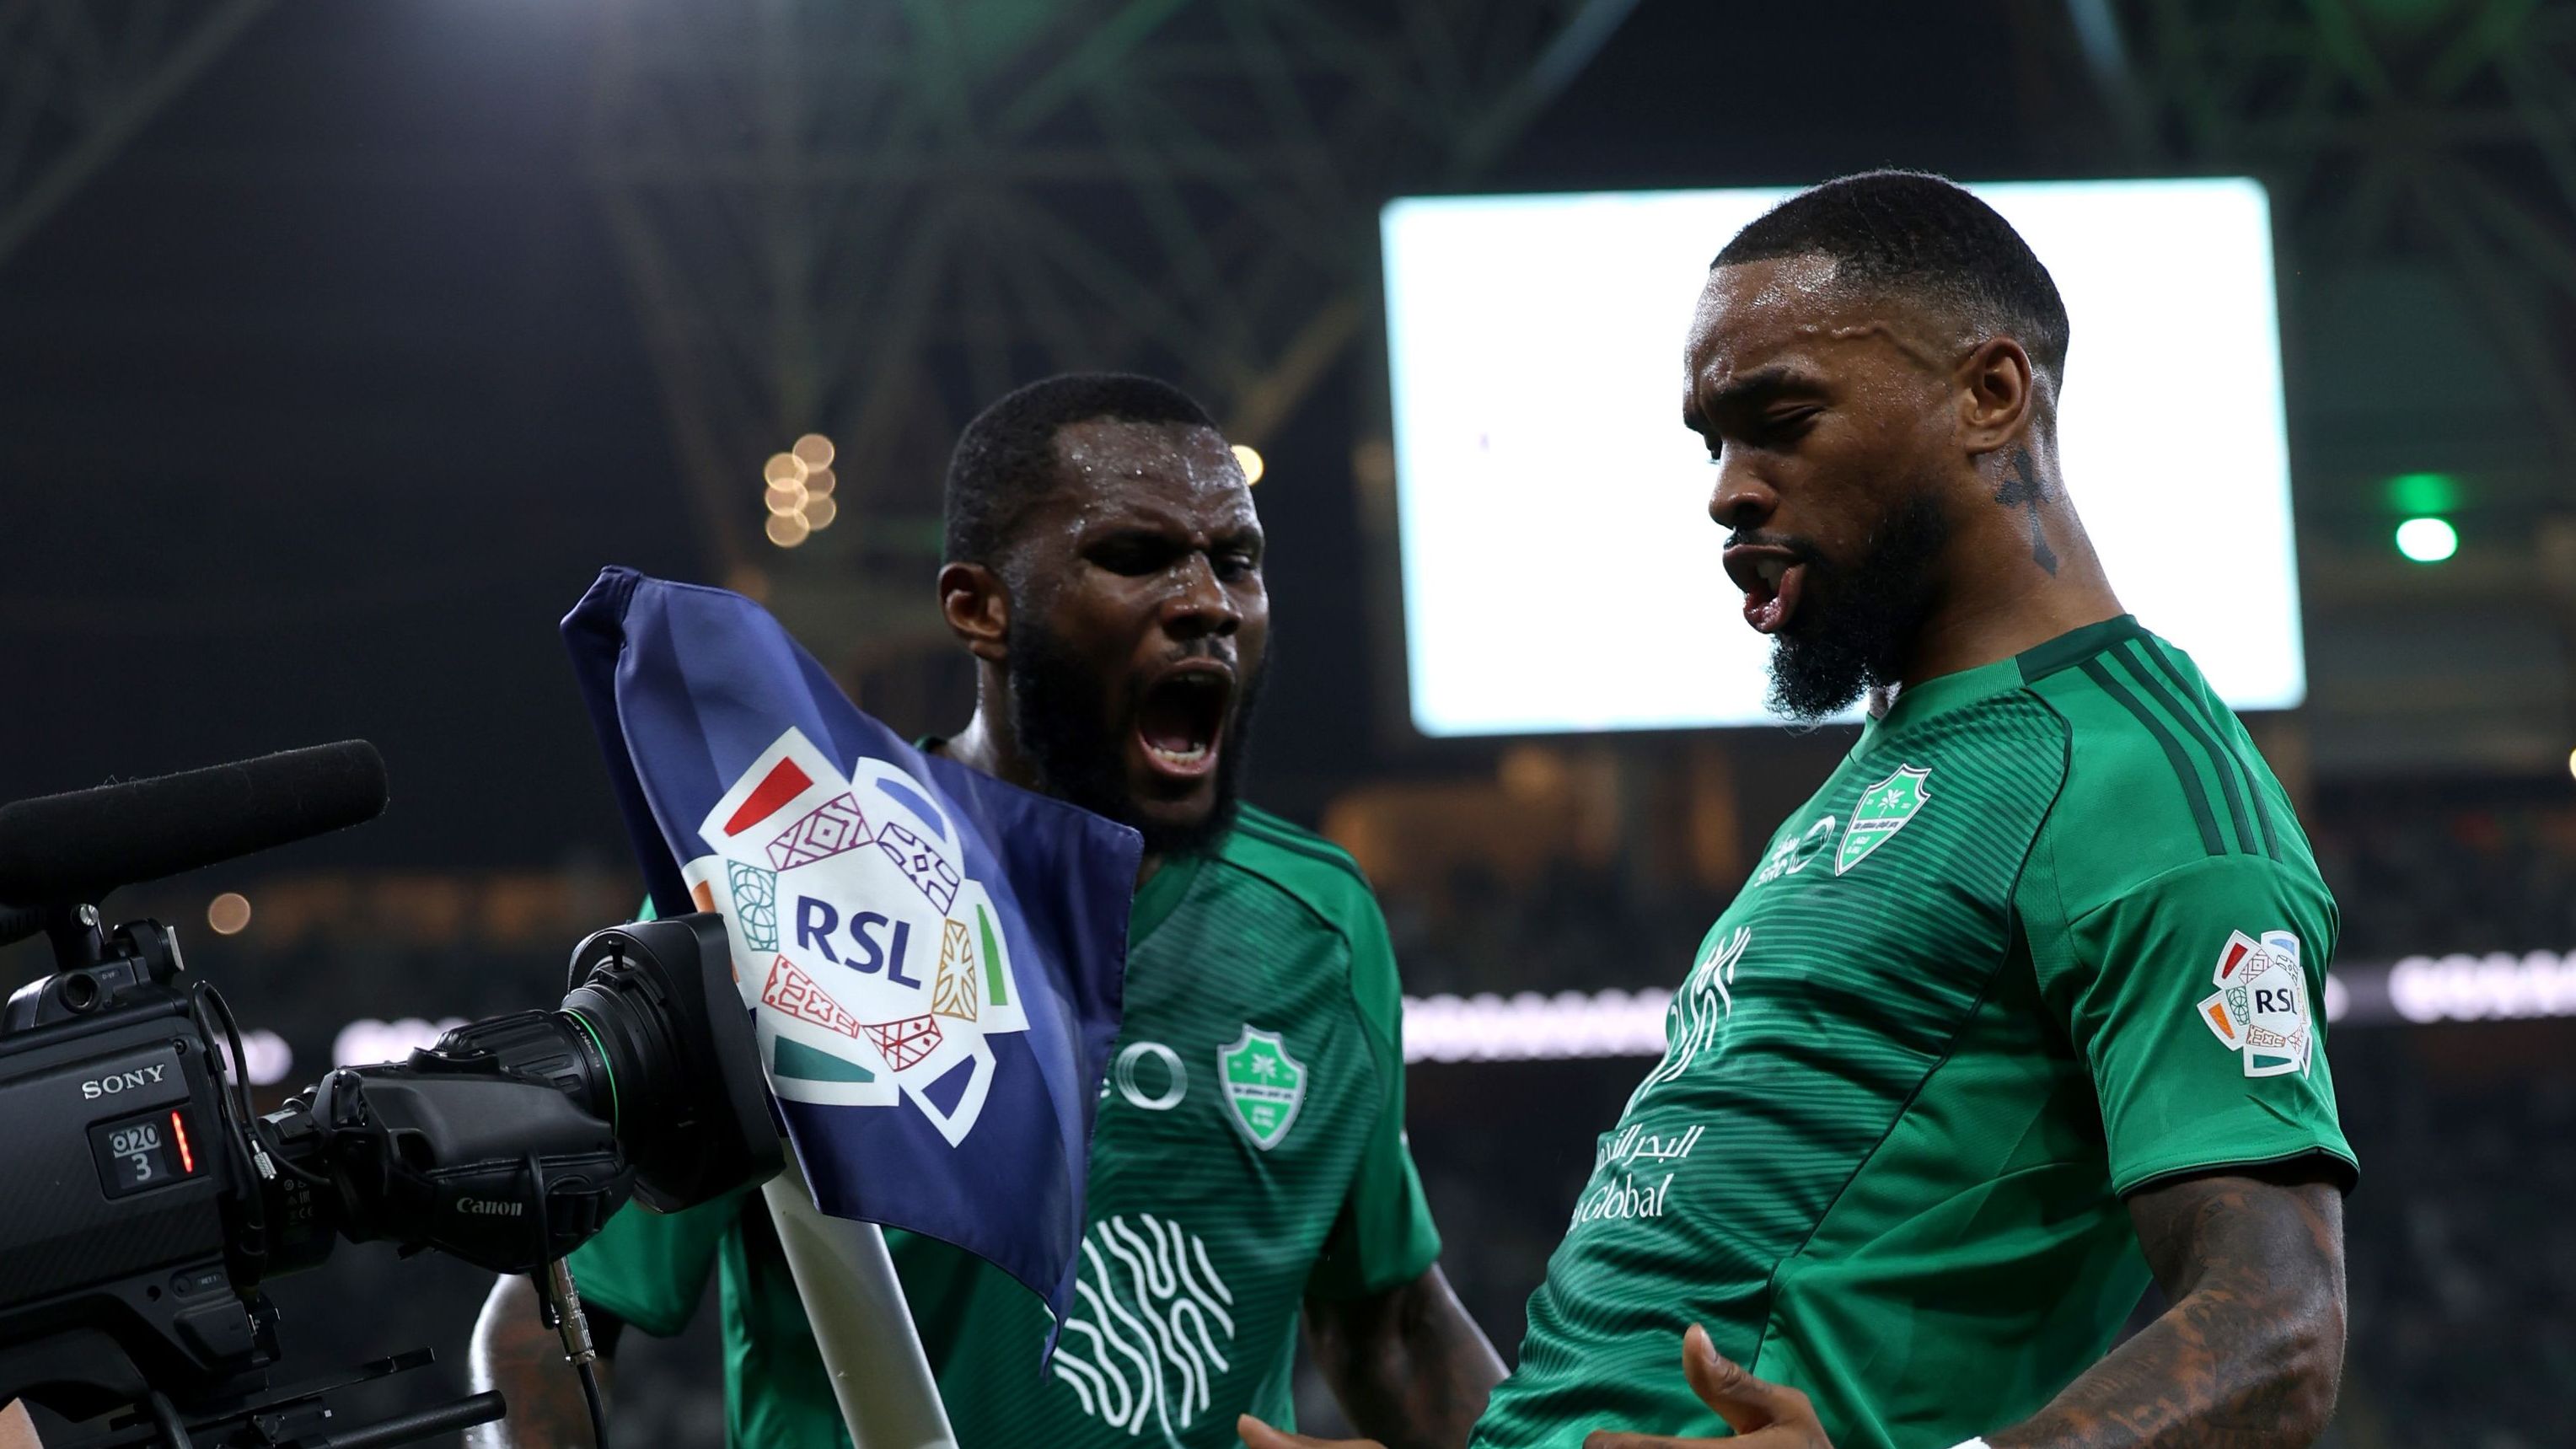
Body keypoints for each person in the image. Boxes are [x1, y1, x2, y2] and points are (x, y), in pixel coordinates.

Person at [1248, 171, 2354, 1449]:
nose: (1728, 490)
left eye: (1780, 420)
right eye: (1712, 441)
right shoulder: (1888, 768)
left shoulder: (2140, 781)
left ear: (1991, 395)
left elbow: (2278, 1331)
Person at [469, 373, 1505, 1449]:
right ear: (978, 607)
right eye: (1135, 556)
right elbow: (548, 1324)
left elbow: (1389, 1327)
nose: (1207, 601)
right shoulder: (778, 888)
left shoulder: (1317, 924)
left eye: (1234, 561)